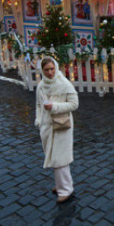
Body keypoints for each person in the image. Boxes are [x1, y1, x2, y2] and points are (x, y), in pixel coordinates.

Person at [34, 57, 79, 204]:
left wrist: (55, 106)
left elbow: (74, 104)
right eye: (46, 70)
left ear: (56, 67)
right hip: (47, 126)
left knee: (60, 158)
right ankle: (62, 185)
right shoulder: (41, 86)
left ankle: (66, 190)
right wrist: (39, 120)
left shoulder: (64, 84)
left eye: (52, 69)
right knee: (54, 156)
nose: (50, 72)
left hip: (61, 125)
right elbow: (38, 105)